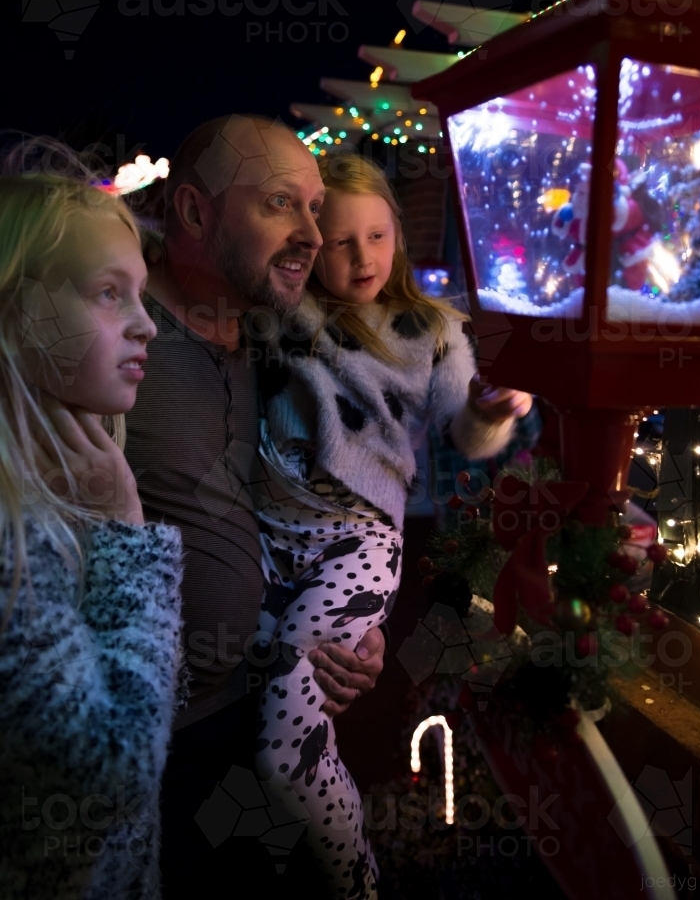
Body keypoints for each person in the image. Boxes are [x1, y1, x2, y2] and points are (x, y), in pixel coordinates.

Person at [252, 154, 532, 898]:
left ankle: (357, 879)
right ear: (309, 244)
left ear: (397, 234)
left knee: (287, 742)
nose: (363, 257)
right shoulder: (279, 314)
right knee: (250, 705)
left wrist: (490, 412)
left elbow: (463, 434)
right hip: (269, 535)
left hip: (357, 540)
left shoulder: (432, 329)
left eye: (376, 236)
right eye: (340, 242)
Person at [122, 115, 388, 897]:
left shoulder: (280, 353)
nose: (313, 231)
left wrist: (350, 630)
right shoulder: (112, 342)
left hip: (261, 714)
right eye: (281, 204)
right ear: (195, 213)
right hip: (153, 754)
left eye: (314, 208)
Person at [0, 165, 184, 900]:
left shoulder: (50, 488)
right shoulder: (14, 530)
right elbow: (109, 769)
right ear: (17, 309)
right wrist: (127, 534)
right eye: (110, 293)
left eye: (141, 293)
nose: (147, 323)